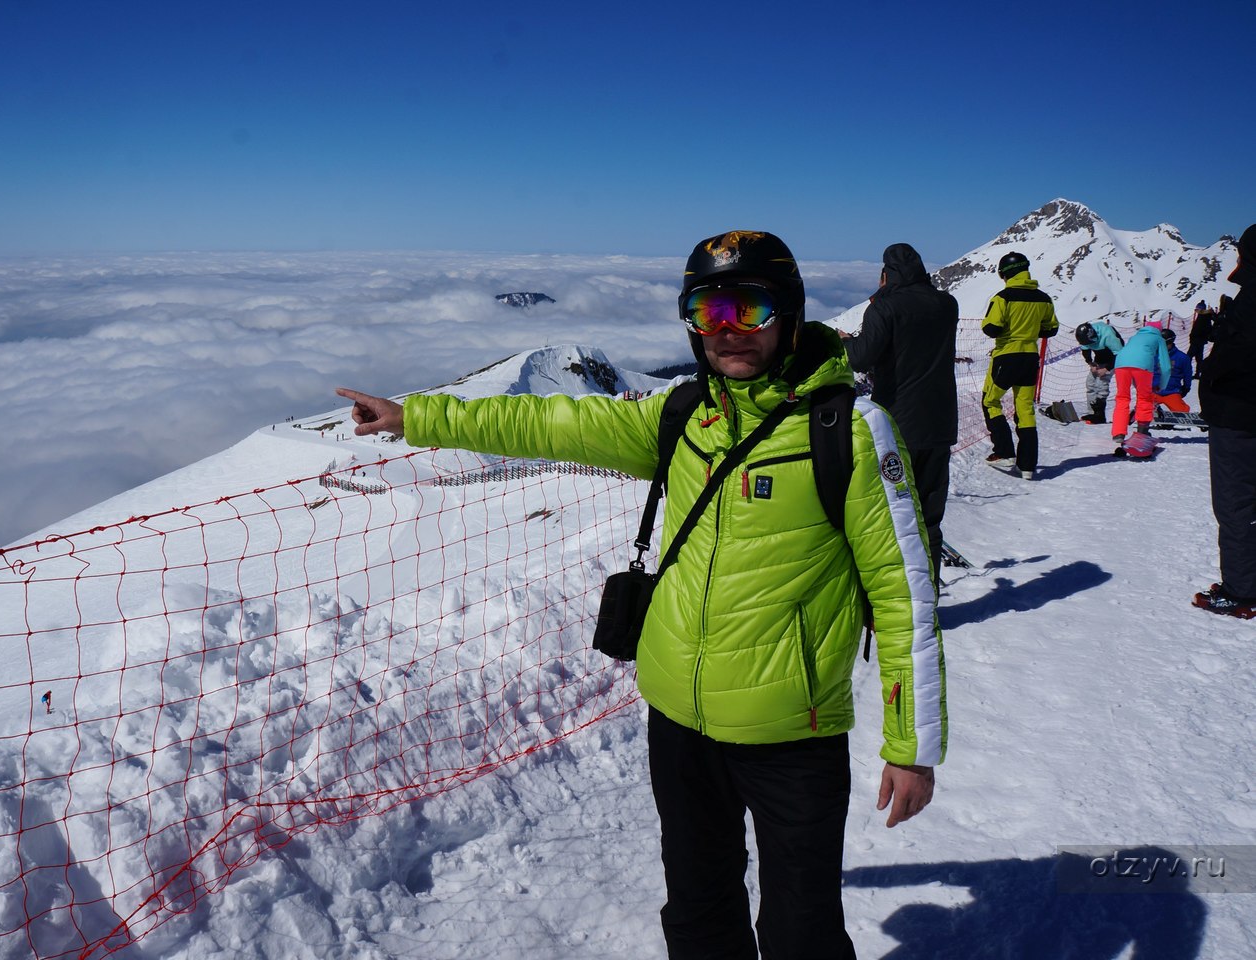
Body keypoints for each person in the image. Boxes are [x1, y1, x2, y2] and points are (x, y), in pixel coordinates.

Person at [338, 230, 948, 959]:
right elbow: (554, 421)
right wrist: (420, 418)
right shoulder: (683, 416)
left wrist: (911, 746)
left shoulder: (847, 430)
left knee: (801, 929)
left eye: (748, 310)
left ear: (787, 315)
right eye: (707, 311)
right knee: (696, 908)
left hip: (791, 730)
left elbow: (904, 593)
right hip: (677, 719)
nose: (728, 332)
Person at [839, 243, 958, 584]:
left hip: (898, 423)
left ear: (886, 273)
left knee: (893, 513)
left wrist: (846, 340)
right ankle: (929, 595)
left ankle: (894, 593)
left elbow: (861, 358)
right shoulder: (947, 304)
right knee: (930, 517)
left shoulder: (886, 308)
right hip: (939, 421)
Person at [1194, 224, 1256, 619]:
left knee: (1236, 502)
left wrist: (1212, 376)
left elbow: (1234, 359)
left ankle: (1241, 592)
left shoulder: (1251, 301)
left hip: (1238, 414)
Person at [980, 252, 1060, 479]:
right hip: (1030, 357)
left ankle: (1004, 451)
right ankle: (1027, 466)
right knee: (1025, 408)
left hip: (1006, 355)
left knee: (990, 401)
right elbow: (1051, 329)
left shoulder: (1002, 297)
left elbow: (991, 328)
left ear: (1004, 274)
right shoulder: (1044, 299)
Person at [1109, 322, 1172, 453]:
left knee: (1122, 398)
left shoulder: (1134, 337)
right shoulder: (1159, 338)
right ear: (1159, 330)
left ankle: (1118, 433)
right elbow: (1165, 367)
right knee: (1144, 398)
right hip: (1143, 366)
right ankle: (1142, 432)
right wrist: (1162, 386)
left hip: (1120, 364)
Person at [1073, 321, 1125, 423]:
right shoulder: (1085, 337)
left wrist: (1107, 369)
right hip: (1099, 357)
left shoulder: (1108, 334)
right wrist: (1090, 363)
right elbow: (1085, 350)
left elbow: (1120, 354)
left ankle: (1100, 415)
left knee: (1101, 383)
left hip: (1113, 358)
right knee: (1090, 383)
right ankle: (1092, 413)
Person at [1151, 329, 1193, 413]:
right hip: (1154, 391)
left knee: (1182, 413)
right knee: (1142, 409)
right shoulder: (1153, 355)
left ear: (1171, 342)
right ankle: (1156, 410)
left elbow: (1187, 374)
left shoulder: (1182, 357)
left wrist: (1186, 387)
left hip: (1171, 392)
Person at [1189, 300, 1214, 379]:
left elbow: (1199, 330)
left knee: (1188, 357)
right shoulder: (1205, 317)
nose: (1196, 311)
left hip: (1197, 341)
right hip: (1200, 341)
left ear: (1201, 309)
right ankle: (1198, 373)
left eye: (1197, 309)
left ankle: (1185, 372)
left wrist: (1193, 337)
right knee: (1199, 358)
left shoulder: (1203, 318)